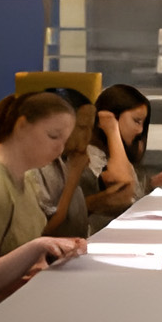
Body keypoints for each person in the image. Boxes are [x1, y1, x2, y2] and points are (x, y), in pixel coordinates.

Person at [0, 92, 90, 303]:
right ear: (21, 126)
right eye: (53, 136)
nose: (59, 148)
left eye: (64, 140)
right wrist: (37, 248)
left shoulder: (25, 177)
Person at [82, 84, 162, 231]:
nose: (139, 130)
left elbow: (134, 196)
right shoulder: (90, 153)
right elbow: (123, 185)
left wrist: (157, 181)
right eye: (137, 121)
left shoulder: (113, 152)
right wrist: (112, 129)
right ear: (110, 116)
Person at [31, 87, 95, 238]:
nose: (88, 136)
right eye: (82, 127)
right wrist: (73, 176)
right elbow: (44, 231)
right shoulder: (37, 165)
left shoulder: (67, 158)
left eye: (91, 128)